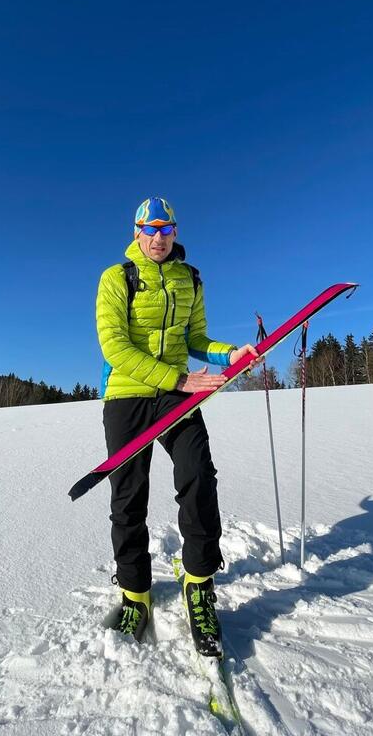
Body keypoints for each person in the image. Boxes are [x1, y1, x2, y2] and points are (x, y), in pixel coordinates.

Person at [95, 196, 258, 655]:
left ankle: (200, 585)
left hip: (177, 394)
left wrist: (230, 354)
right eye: (151, 230)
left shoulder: (190, 279)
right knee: (128, 496)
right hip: (127, 395)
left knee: (198, 477)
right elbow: (115, 347)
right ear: (136, 233)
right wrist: (179, 377)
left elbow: (197, 339)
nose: (159, 238)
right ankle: (135, 594)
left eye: (167, 229)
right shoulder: (115, 278)